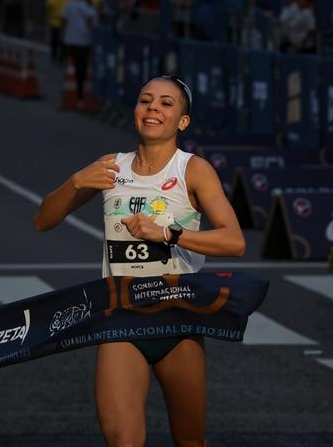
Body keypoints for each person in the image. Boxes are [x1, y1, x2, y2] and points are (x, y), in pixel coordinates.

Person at [33, 75, 245, 446]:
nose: (152, 108)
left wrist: (167, 234)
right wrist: (77, 181)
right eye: (145, 100)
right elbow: (43, 221)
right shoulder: (112, 167)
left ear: (182, 121)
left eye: (166, 103)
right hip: (121, 318)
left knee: (190, 441)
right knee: (123, 441)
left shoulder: (192, 170)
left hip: (177, 318)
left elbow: (234, 241)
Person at [61, 0, 97, 108]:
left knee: (72, 68)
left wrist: (64, 33)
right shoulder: (85, 6)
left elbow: (63, 19)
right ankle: (81, 96)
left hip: (70, 40)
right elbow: (92, 20)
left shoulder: (69, 5)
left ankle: (76, 95)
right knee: (82, 68)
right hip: (83, 41)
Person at [46, 0, 69, 64]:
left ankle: (60, 57)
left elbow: (49, 7)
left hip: (62, 23)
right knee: (56, 40)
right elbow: (49, 7)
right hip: (56, 23)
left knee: (61, 41)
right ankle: (56, 57)